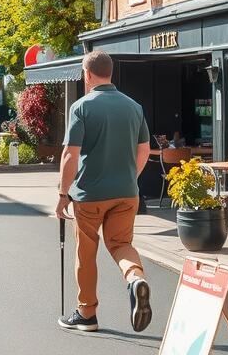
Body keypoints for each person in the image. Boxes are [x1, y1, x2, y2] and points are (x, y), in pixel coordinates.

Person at [55, 51, 152, 334]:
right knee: (121, 244)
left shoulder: (82, 107)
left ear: (87, 74)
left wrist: (63, 195)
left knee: (86, 251)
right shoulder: (134, 106)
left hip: (90, 194)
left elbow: (70, 156)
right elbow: (144, 149)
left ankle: (87, 313)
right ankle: (135, 279)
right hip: (126, 192)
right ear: (110, 72)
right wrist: (128, 177)